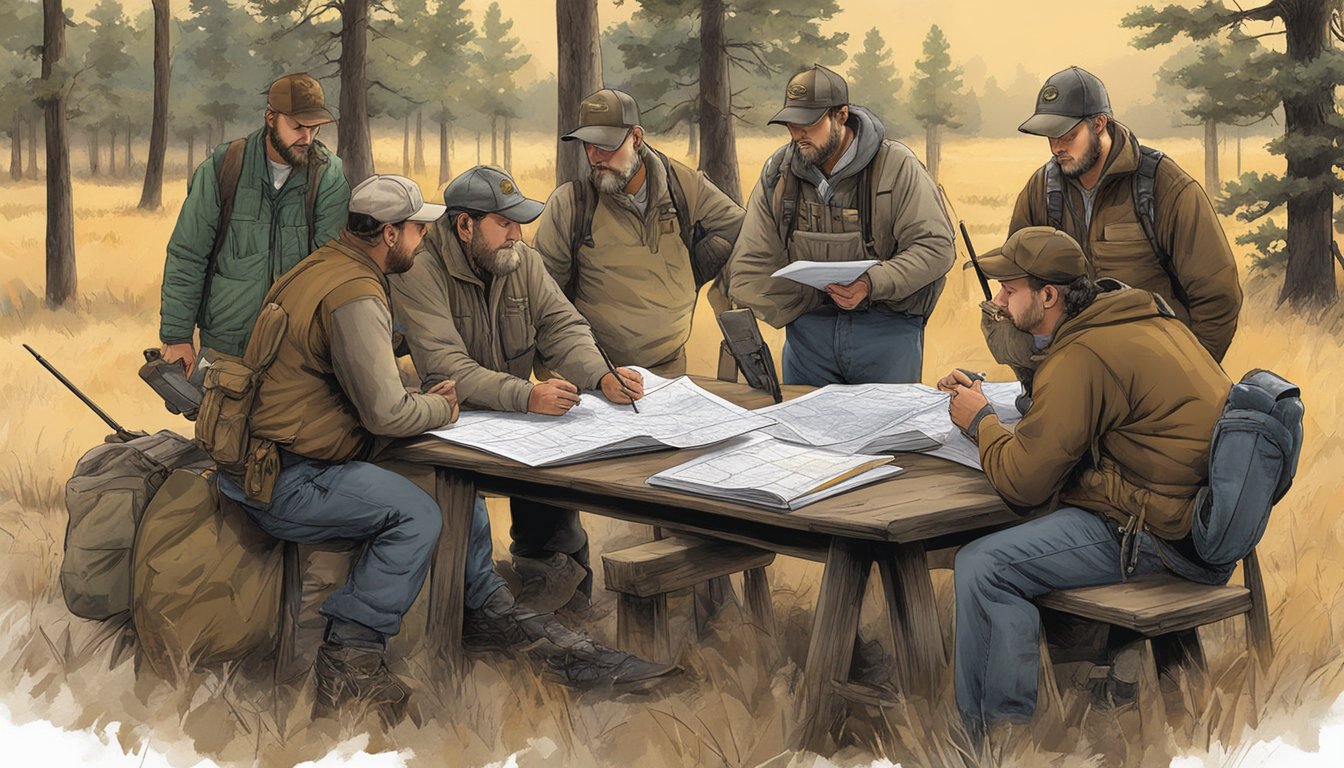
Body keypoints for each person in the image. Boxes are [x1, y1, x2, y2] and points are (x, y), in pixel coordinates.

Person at [939, 226, 1234, 742]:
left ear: (1049, 295)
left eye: (1010, 290)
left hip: (1159, 542)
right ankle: (1081, 683)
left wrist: (980, 420)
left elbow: (1023, 483)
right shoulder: (1140, 316)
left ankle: (995, 736)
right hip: (1195, 526)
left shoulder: (1081, 356)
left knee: (984, 565)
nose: (999, 303)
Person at [216, 175, 451, 725]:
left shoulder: (321, 267)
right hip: (289, 479)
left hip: (265, 463)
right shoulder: (354, 292)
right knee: (418, 513)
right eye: (418, 229)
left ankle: (480, 609)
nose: (424, 239)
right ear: (389, 233)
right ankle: (352, 657)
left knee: (437, 492)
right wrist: (442, 407)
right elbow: (387, 414)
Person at [389, 166, 648, 619]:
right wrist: (526, 396)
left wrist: (601, 376)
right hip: (448, 425)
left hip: (511, 420)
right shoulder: (418, 270)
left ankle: (563, 596)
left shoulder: (519, 259)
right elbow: (446, 368)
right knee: (461, 515)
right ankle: (479, 613)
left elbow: (561, 325)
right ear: (465, 225)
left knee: (553, 483)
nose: (517, 233)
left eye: (519, 221)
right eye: (504, 223)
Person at [728, 64, 955, 386]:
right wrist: (805, 301)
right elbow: (750, 264)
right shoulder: (779, 171)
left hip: (888, 334)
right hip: (807, 338)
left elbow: (936, 248)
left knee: (889, 436)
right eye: (791, 123)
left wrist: (870, 283)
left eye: (808, 122)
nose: (796, 133)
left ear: (841, 115)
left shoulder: (897, 165)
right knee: (804, 434)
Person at [1007, 65, 1241, 364]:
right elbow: (1016, 283)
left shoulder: (1163, 185)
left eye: (1067, 134)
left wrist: (1190, 375)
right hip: (1072, 368)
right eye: (1049, 136)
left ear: (1100, 123)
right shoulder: (1041, 189)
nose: (1056, 148)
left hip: (1155, 366)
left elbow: (1218, 296)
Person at [532, 88, 745, 376]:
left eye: (605, 144)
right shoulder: (570, 204)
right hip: (594, 372)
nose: (595, 156)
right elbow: (543, 294)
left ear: (636, 138)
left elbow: (740, 229)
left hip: (669, 368)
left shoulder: (683, 186)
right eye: (588, 145)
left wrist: (693, 269)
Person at [159, 72, 350, 368]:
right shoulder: (223, 168)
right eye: (298, 126)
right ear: (270, 118)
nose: (307, 138)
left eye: (315, 129)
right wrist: (177, 336)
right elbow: (188, 254)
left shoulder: (328, 176)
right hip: (224, 346)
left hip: (296, 353)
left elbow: (331, 268)